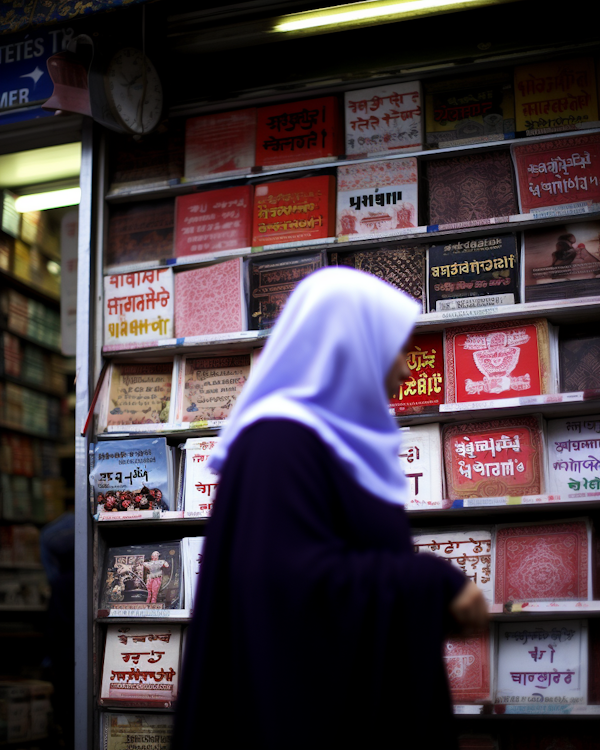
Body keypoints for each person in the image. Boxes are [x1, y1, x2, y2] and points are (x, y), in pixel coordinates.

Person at [173, 267, 488, 750]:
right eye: (397, 347)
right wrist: (434, 583)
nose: (407, 368)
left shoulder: (330, 442)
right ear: (349, 344)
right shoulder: (279, 443)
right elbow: (290, 588)